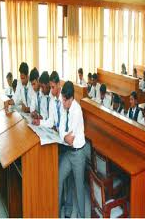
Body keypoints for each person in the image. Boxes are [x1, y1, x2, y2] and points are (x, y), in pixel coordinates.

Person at [58, 81, 86, 218]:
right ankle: (55, 212)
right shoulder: (65, 107)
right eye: (62, 99)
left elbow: (71, 138)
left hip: (78, 153)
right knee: (59, 178)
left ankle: (82, 216)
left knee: (80, 189)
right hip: (69, 152)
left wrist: (64, 135)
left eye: (64, 100)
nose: (62, 103)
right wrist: (63, 135)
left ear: (70, 99)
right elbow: (61, 130)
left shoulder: (77, 111)